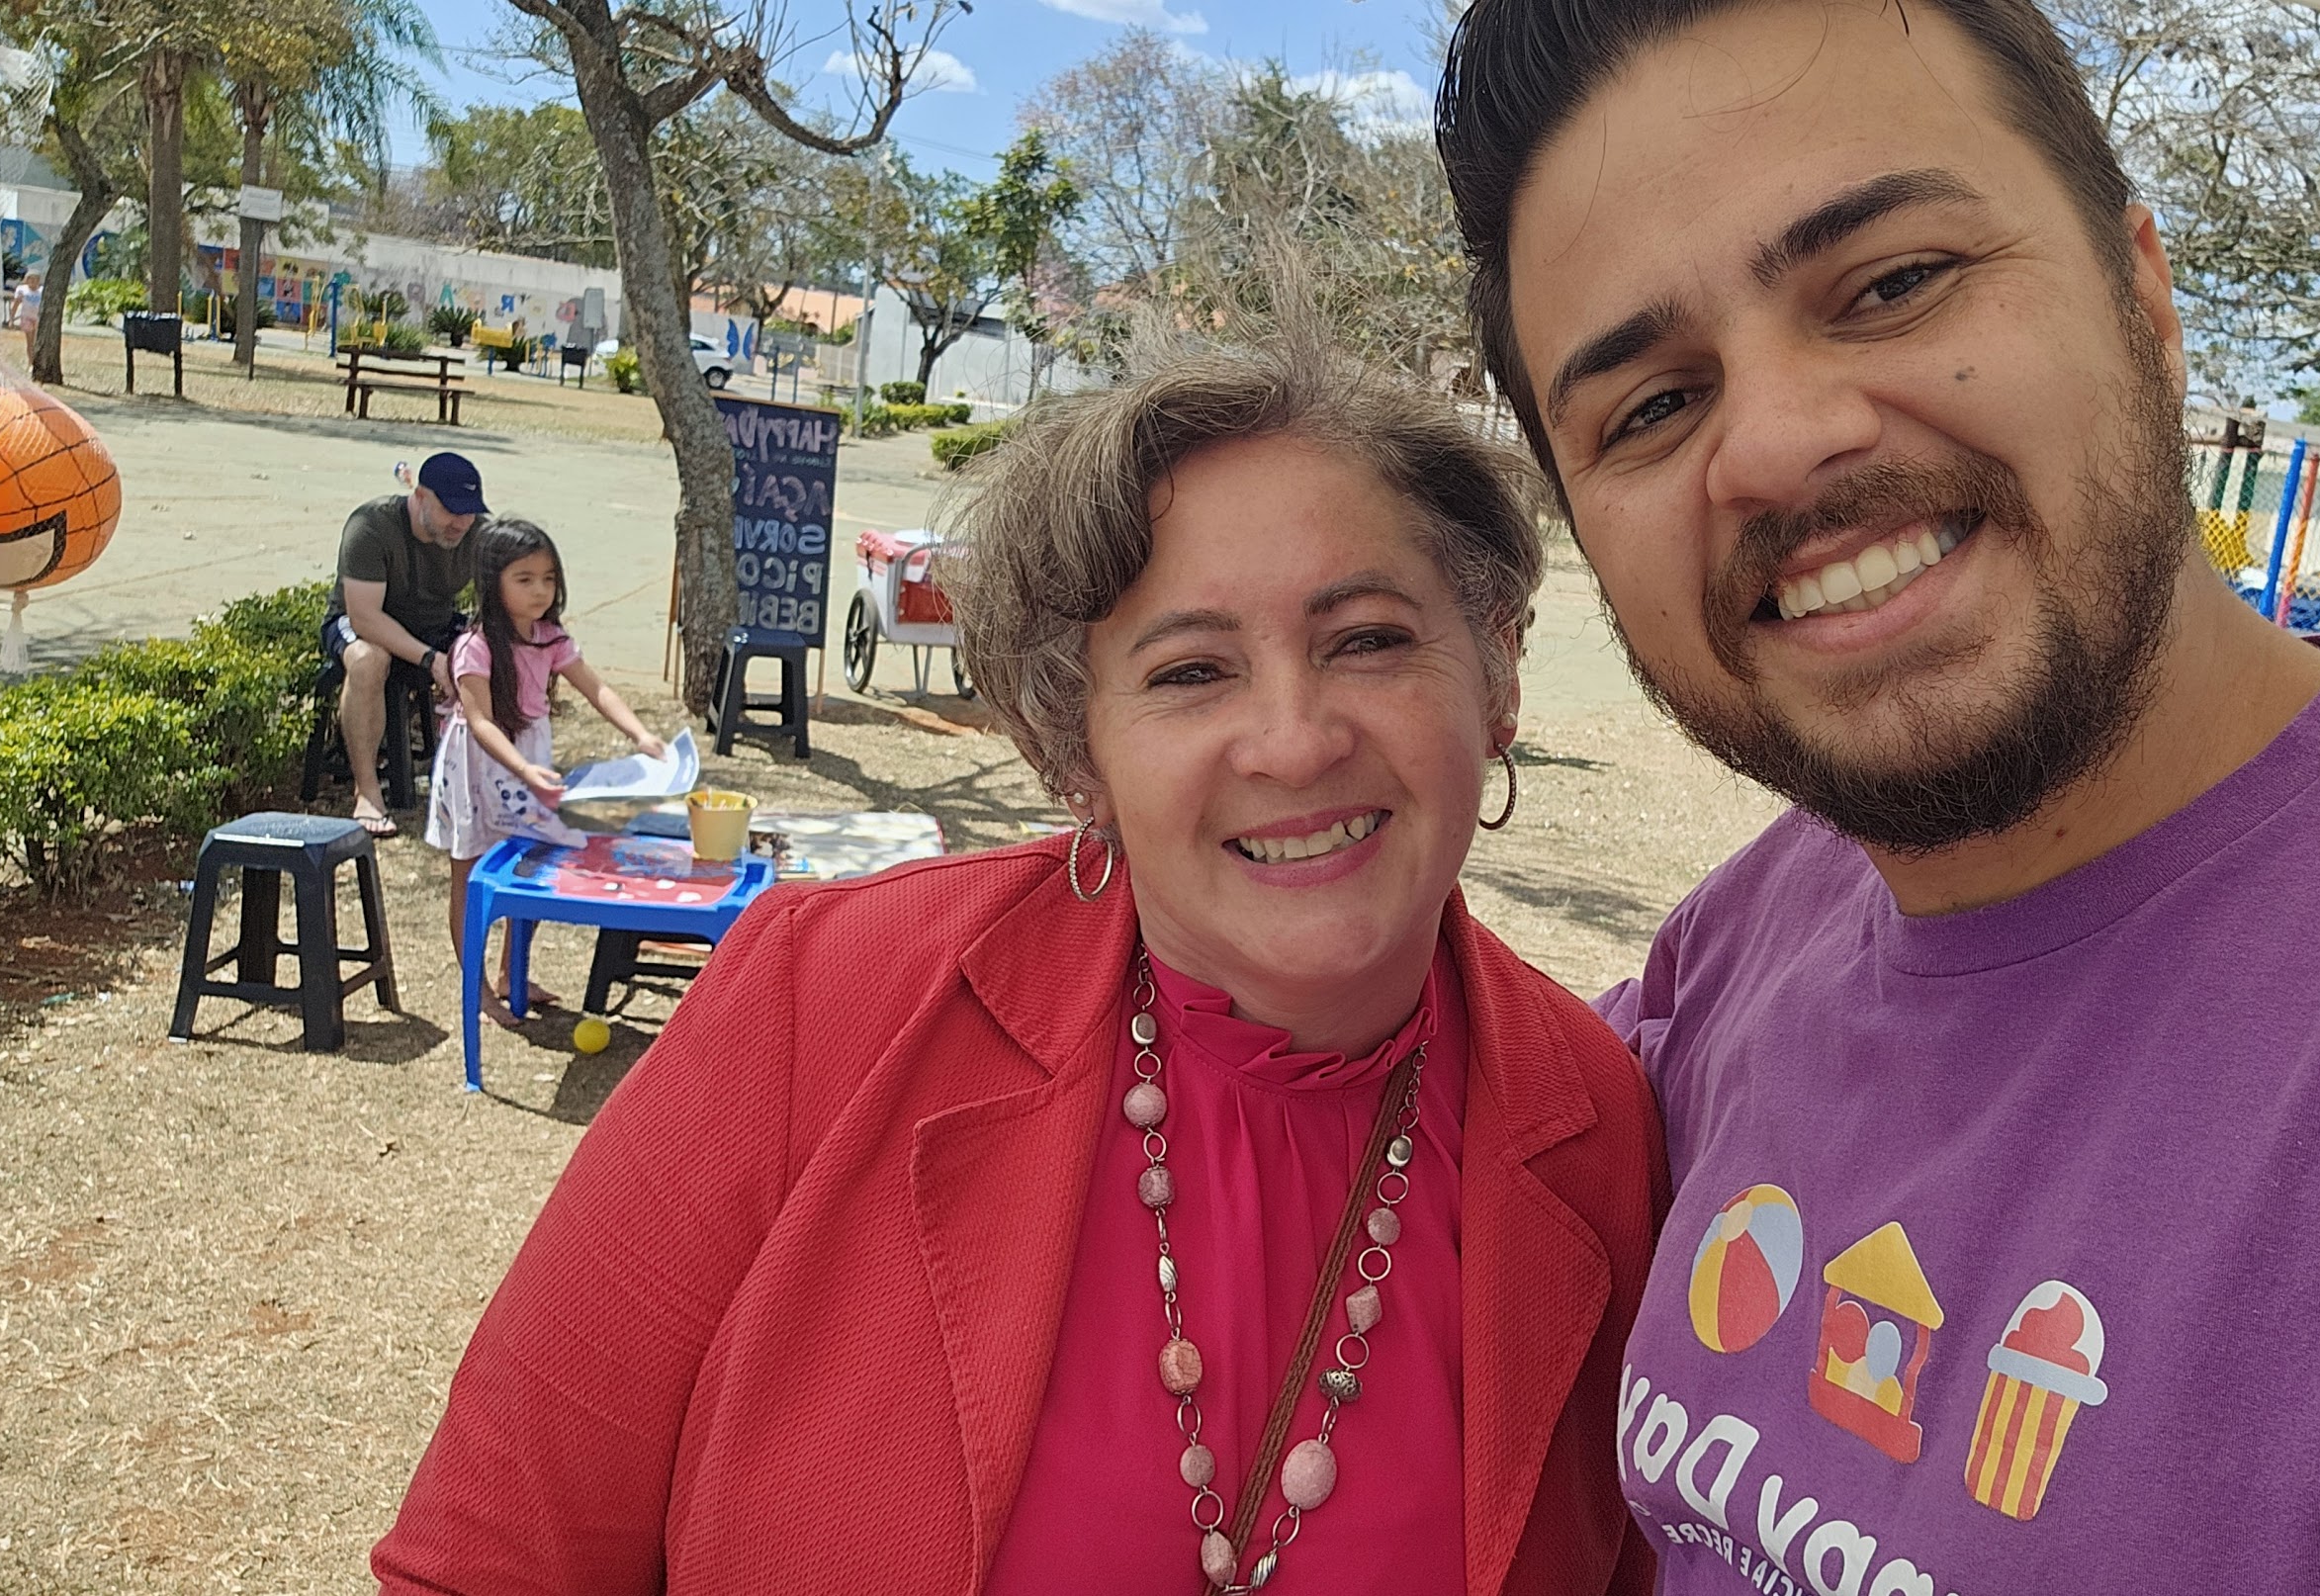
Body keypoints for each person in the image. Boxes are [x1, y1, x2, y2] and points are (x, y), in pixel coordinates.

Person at [1435, 2, 2320, 1592]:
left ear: (2145, 295)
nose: (1772, 441)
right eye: (1647, 406)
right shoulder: (1739, 946)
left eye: (1892, 283)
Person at [373, 332, 1666, 1594]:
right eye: (1189, 669)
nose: (1291, 739)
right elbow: (487, 1557)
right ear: (1076, 743)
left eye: (1370, 639)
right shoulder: (820, 1001)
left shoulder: (1601, 1130)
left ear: (1494, 669)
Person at [430, 517, 665, 1024]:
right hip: (479, 764)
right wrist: (523, 770)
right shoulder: (475, 645)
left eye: (549, 578)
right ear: (492, 582)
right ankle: (477, 987)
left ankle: (512, 971)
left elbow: (595, 687)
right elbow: (480, 723)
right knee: (470, 875)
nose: (540, 590)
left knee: (535, 865)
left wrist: (639, 735)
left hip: (528, 759)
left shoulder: (550, 637)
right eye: (525, 579)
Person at [326, 451, 486, 837]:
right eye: (451, 511)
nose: (461, 523)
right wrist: (432, 660)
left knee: (492, 654)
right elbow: (363, 617)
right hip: (363, 623)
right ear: (420, 498)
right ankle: (366, 792)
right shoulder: (372, 526)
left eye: (470, 511)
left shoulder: (477, 533)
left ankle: (489, 780)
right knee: (368, 661)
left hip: (435, 624)